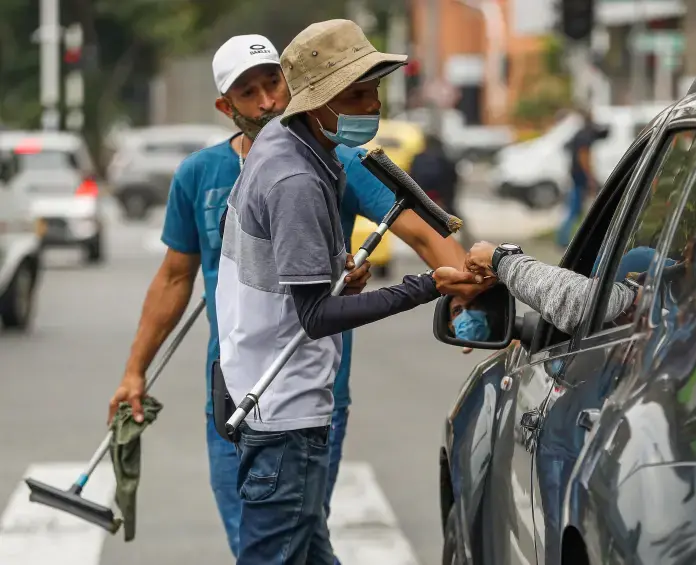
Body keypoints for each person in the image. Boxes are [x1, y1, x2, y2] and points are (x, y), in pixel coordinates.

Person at [107, 32, 477, 559]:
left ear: (295, 81)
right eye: (248, 93)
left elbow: (422, 231)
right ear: (225, 105)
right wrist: (134, 371)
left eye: (273, 83)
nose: (267, 102)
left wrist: (468, 291)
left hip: (302, 389)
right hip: (246, 388)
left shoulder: (333, 158)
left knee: (288, 538)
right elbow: (174, 278)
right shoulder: (240, 173)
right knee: (272, 541)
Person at [216, 19, 482, 563]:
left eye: (373, 92)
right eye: (354, 95)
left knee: (311, 550)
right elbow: (314, 316)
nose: (371, 106)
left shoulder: (298, 154)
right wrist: (426, 286)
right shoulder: (295, 179)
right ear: (316, 102)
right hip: (282, 411)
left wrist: (339, 271)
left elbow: (286, 281)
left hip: (275, 399)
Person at [465, 241, 640, 335]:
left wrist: (501, 259)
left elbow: (580, 303)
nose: (594, 282)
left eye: (599, 282)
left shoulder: (653, 290)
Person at [556, 109, 603, 248]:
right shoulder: (586, 136)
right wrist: (590, 176)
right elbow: (584, 157)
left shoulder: (579, 133)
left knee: (576, 210)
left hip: (575, 175)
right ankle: (563, 240)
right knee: (574, 210)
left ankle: (569, 238)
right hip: (580, 177)